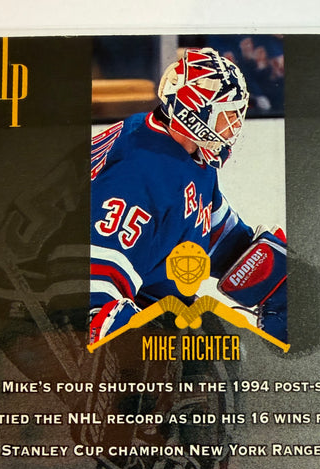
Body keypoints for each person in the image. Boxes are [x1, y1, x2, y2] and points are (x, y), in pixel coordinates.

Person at [89, 47, 287, 345]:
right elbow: (92, 295)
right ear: (194, 112)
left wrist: (281, 279)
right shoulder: (138, 172)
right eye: (228, 114)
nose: (235, 125)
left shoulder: (188, 154)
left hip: (151, 301)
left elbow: (222, 238)